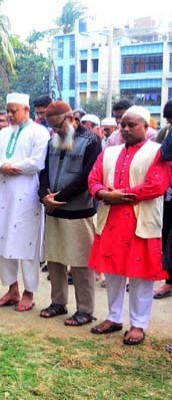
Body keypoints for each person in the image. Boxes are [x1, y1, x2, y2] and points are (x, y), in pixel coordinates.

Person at [88, 106, 170, 345]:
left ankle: (138, 324)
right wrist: (102, 192)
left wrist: (120, 194)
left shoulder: (158, 152)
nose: (125, 129)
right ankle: (113, 317)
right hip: (112, 220)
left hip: (141, 221)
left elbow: (157, 185)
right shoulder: (109, 152)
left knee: (141, 276)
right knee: (112, 271)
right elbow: (92, 179)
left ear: (147, 126)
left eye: (131, 125)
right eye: (122, 124)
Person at [0, 93, 50, 312]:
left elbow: (37, 161)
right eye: (8, 111)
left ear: (26, 109)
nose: (10, 115)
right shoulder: (3, 133)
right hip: (3, 192)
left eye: (14, 111)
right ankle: (12, 289)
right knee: (1, 242)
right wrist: (2, 167)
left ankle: (29, 292)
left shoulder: (39, 132)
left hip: (27, 193)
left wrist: (13, 167)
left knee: (25, 244)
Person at [39, 101, 101, 326]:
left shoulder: (92, 141)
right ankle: (58, 302)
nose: (56, 131)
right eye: (53, 127)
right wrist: (44, 195)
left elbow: (87, 178)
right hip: (53, 209)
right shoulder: (52, 141)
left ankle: (85, 309)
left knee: (81, 262)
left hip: (78, 211)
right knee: (54, 258)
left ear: (71, 118)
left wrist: (60, 198)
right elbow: (43, 171)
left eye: (59, 126)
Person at [156, 100, 172, 299]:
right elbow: (163, 153)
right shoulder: (166, 133)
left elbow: (166, 152)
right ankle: (169, 282)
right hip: (169, 193)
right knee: (167, 235)